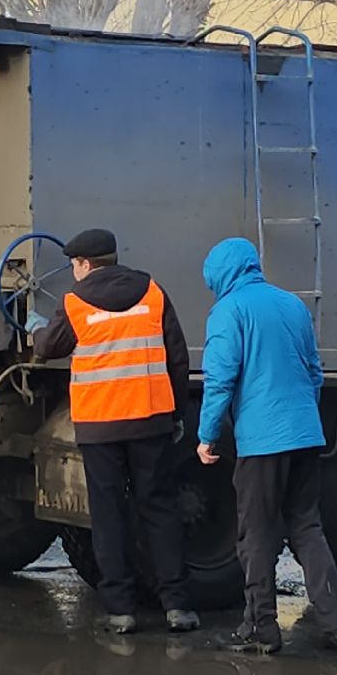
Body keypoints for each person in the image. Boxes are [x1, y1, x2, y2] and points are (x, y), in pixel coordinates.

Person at [33, 228, 198, 634]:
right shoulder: (153, 293)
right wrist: (175, 413)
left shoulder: (75, 303)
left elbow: (46, 348)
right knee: (159, 510)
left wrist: (35, 325)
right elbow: (177, 357)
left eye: (74, 265)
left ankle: (121, 611)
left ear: (86, 265)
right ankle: (176, 606)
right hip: (150, 421)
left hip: (99, 426)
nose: (73, 272)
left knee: (107, 516)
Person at [196, 237, 337, 654]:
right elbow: (314, 371)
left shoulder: (229, 311)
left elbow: (220, 379)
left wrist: (207, 434)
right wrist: (303, 420)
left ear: (221, 274)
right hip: (304, 434)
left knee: (256, 533)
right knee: (307, 527)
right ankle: (336, 622)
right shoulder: (292, 305)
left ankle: (261, 627)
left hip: (262, 441)